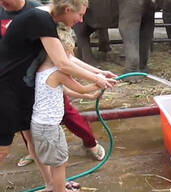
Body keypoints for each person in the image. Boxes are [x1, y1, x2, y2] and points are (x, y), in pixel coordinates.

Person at [0, 0, 116, 190]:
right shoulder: (41, 18)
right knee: (3, 148)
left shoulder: (47, 18)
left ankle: (52, 184)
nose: (80, 21)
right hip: (5, 88)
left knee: (31, 139)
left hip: (24, 87)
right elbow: (62, 64)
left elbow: (67, 58)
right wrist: (96, 80)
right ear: (68, 9)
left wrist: (100, 73)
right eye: (80, 15)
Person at [31, 23, 101, 192]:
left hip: (40, 126)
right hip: (49, 128)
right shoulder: (58, 73)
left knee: (56, 162)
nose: (69, 57)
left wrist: (88, 97)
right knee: (60, 163)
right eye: (67, 53)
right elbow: (80, 87)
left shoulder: (43, 70)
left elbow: (66, 90)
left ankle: (56, 187)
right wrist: (100, 82)